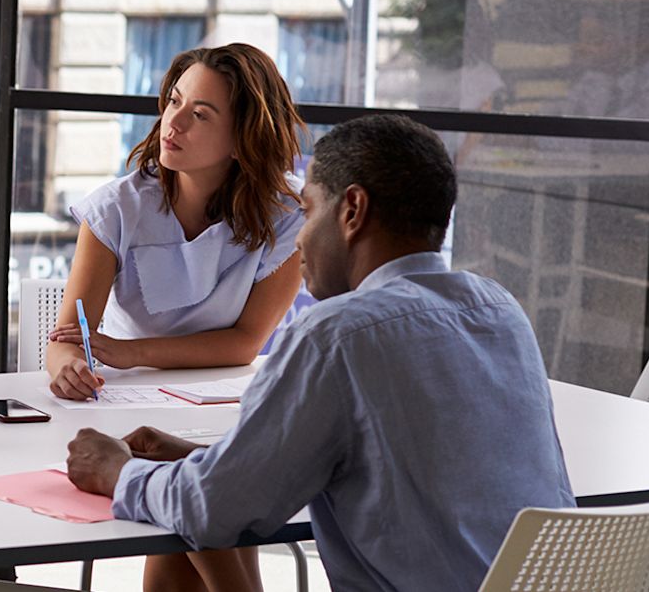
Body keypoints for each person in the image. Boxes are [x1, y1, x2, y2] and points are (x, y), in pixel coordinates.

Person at [65, 114, 575, 592]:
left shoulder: (336, 336)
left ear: (351, 211)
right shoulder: (501, 311)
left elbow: (212, 514)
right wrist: (214, 460)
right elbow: (401, 465)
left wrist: (117, 472)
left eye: (307, 211)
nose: (300, 240)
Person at [40, 44, 307, 590]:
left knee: (200, 497)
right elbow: (69, 337)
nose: (173, 123)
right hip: (130, 408)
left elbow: (243, 344)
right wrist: (68, 363)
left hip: (229, 402)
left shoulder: (290, 217)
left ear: (242, 138)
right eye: (174, 102)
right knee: (198, 506)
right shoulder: (117, 207)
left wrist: (128, 352)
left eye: (200, 114)